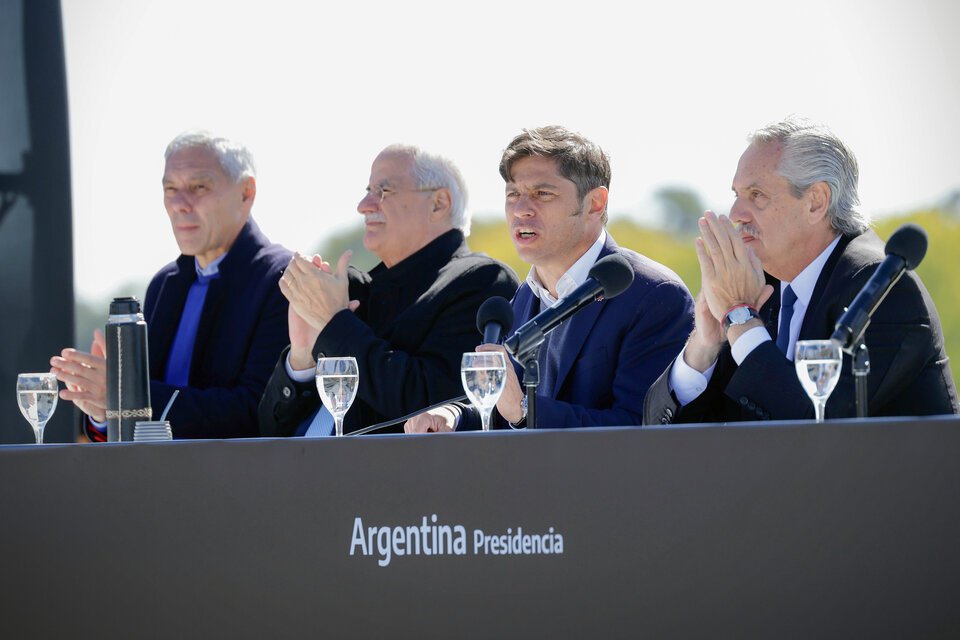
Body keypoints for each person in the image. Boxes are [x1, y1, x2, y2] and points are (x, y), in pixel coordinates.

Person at [644, 117, 958, 425]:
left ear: (815, 203)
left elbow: (821, 430)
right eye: (736, 195)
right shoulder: (757, 286)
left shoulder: (883, 289)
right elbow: (659, 432)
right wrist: (704, 345)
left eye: (757, 195)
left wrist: (740, 318)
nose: (736, 214)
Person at [405, 126, 694, 433]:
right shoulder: (522, 301)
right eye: (513, 194)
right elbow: (509, 412)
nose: (521, 210)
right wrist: (455, 417)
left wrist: (525, 409)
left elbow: (640, 428)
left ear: (595, 203)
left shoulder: (654, 295)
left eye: (542, 194)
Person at [258, 144, 519, 436]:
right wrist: (303, 356)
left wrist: (334, 325)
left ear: (438, 203)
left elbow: (433, 412)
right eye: (367, 190)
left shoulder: (482, 281)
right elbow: (270, 427)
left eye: (383, 191)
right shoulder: (356, 291)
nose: (364, 205)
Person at [51, 131, 291, 439]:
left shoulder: (282, 280)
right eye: (170, 188)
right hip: (154, 483)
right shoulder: (164, 285)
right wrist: (104, 408)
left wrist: (128, 396)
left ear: (246, 192)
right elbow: (133, 425)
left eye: (198, 186)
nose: (180, 203)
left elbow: (256, 412)